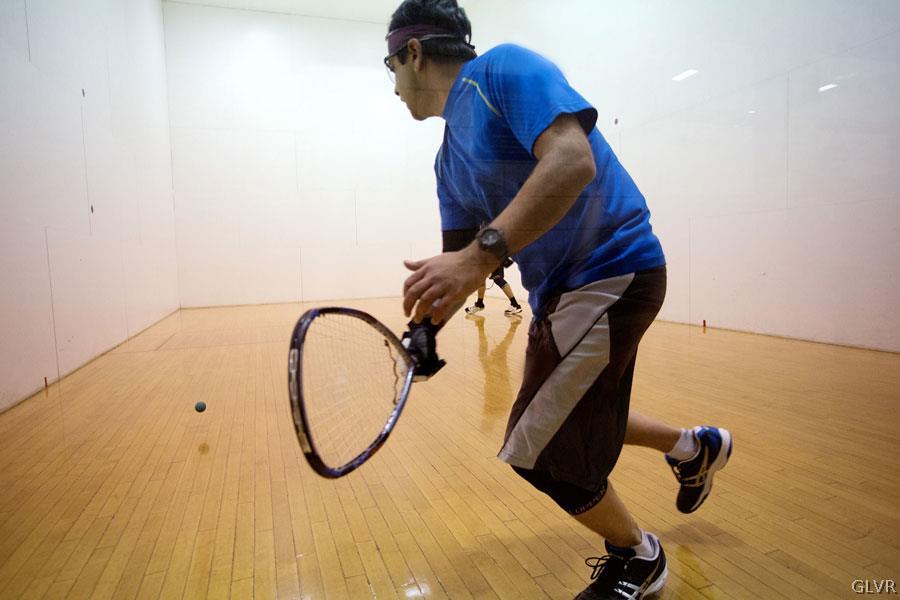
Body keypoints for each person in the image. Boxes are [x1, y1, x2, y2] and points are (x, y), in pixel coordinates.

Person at [386, 2, 733, 598]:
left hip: (613, 270)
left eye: (389, 65)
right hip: (561, 294)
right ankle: (692, 447)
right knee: (569, 410)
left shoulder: (502, 71)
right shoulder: (448, 162)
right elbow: (461, 264)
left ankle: (637, 556)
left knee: (536, 447)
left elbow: (574, 160)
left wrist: (477, 258)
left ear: (414, 52)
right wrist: (426, 330)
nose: (392, 86)